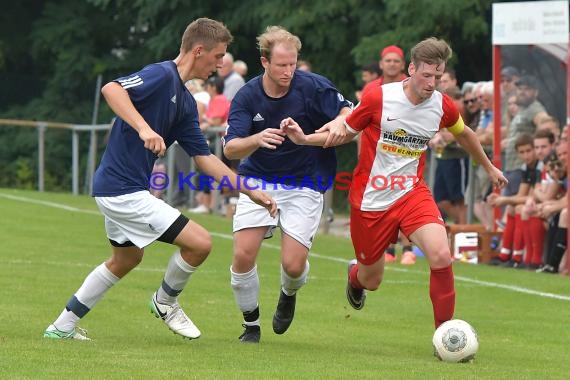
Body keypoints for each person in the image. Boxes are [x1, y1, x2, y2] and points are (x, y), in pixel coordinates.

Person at [43, 18, 277, 341]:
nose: (221, 63)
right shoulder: (160, 75)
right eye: (218, 55)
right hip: (122, 190)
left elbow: (207, 160)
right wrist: (144, 128)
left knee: (125, 259)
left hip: (120, 189)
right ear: (198, 51)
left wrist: (251, 191)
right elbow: (111, 89)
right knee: (200, 243)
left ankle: (61, 327)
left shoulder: (185, 103)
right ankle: (165, 301)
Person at [281, 37, 507, 329]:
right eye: (427, 75)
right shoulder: (379, 97)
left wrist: (488, 167)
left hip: (411, 192)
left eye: (438, 77)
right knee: (371, 279)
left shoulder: (442, 105)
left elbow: (465, 134)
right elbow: (345, 132)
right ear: (411, 69)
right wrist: (305, 139)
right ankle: (356, 277)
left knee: (440, 253)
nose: (432, 83)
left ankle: (445, 334)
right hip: (371, 199)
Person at [222, 26, 352, 343]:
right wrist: (257, 138)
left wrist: (339, 119)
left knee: (293, 266)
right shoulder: (247, 95)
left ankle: (288, 292)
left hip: (304, 182)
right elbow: (229, 149)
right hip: (259, 181)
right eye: (282, 65)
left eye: (293, 63)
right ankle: (251, 325)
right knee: (243, 256)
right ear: (265, 62)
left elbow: (350, 115)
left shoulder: (312, 86)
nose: (288, 71)